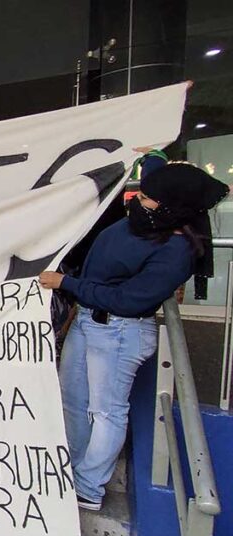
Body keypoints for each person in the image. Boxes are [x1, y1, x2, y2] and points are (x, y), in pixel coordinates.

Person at [39, 163, 229, 511]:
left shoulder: (176, 251)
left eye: (146, 198)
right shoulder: (138, 226)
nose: (137, 202)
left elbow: (130, 300)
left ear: (173, 207)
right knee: (72, 402)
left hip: (119, 334)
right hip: (89, 324)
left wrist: (68, 284)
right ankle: (69, 471)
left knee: (105, 411)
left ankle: (88, 486)